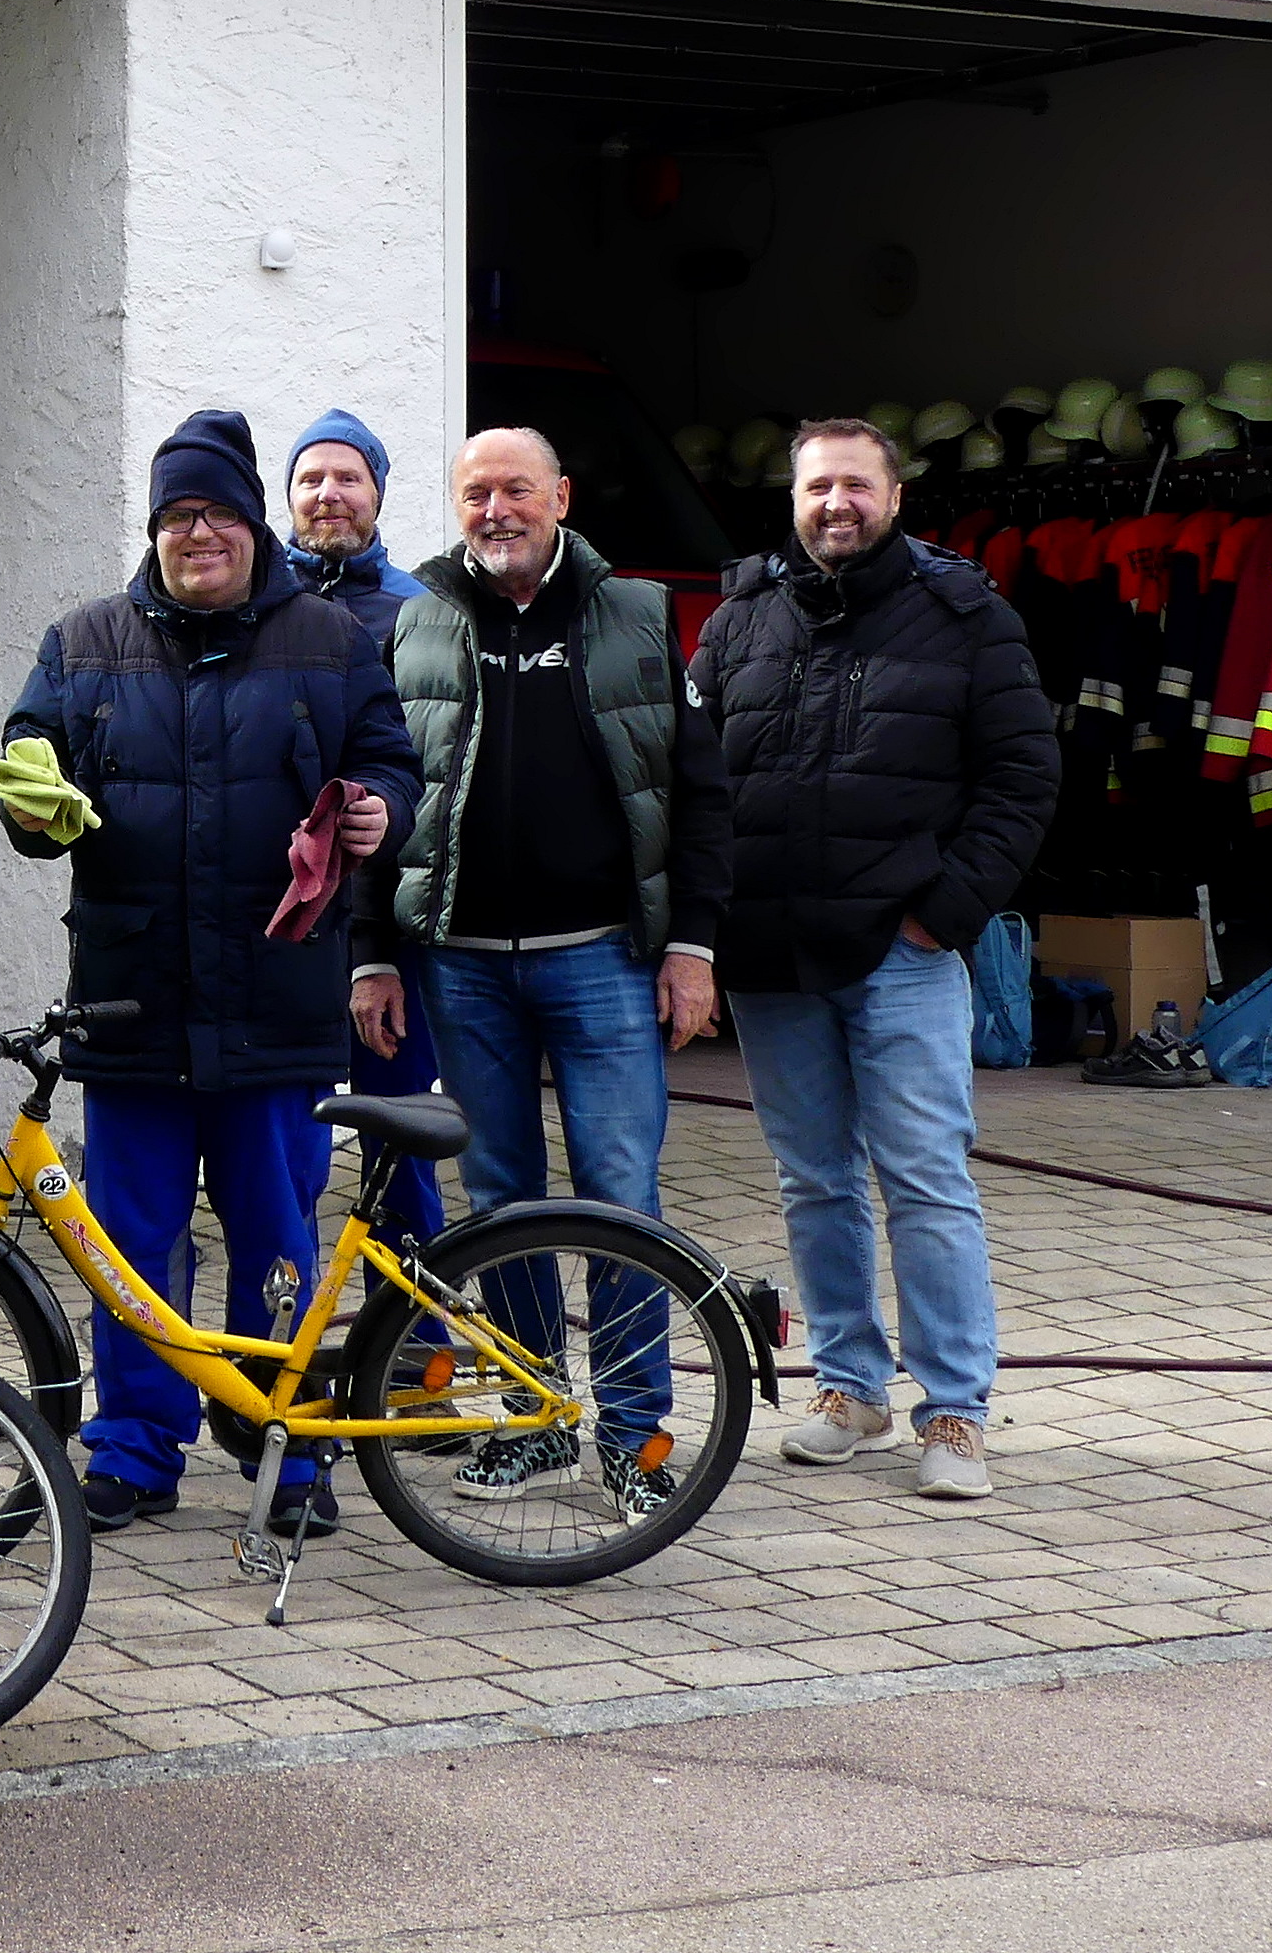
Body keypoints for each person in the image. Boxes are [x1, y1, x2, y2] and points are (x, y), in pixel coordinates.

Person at [0, 409, 419, 1535]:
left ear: (252, 527)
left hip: (279, 996)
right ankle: (135, 1448)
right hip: (133, 999)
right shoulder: (84, 641)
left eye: (218, 514)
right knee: (131, 1240)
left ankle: (282, 1447)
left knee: (277, 1234)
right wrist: (34, 809)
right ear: (156, 531)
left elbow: (387, 756)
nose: (199, 535)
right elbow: (29, 767)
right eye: (178, 517)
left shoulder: (329, 640)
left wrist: (381, 808)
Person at [352, 426, 733, 1519]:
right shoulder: (415, 622)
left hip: (602, 962)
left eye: (516, 489)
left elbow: (701, 798)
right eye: (476, 493)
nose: (496, 510)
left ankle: (633, 1437)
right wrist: (372, 954)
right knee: (499, 1202)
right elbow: (378, 804)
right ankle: (531, 1420)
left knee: (622, 1199)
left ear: (560, 496)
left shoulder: (642, 617)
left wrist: (695, 948)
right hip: (460, 970)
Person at [690, 416, 1056, 1501]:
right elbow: (691, 777)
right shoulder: (742, 616)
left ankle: (954, 1412)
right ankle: (850, 1388)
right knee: (814, 1184)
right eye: (817, 488)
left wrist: (941, 914)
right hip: (769, 956)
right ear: (794, 501)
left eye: (856, 485)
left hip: (898, 954)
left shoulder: (965, 617)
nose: (835, 504)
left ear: (895, 498)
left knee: (927, 1182)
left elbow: (1024, 779)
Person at [284, 407, 451, 1239]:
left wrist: (375, 945)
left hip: (386, 925)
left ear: (378, 493)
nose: (328, 494)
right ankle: (296, 1334)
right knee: (291, 1155)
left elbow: (430, 783)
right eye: (311, 479)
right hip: (282, 927)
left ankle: (415, 1338)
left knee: (396, 1137)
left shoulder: (420, 611)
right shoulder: (257, 602)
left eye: (348, 477)